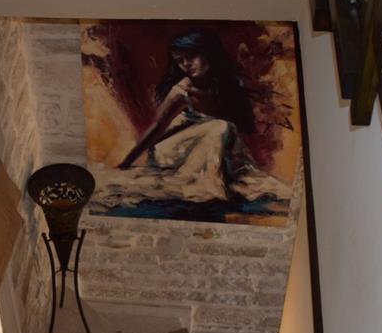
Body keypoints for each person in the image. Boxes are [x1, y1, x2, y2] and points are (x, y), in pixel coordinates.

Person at [115, 29, 291, 205]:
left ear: (209, 54)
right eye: (179, 60)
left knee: (243, 164)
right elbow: (157, 126)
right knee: (222, 127)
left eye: (191, 57)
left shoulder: (224, 87)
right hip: (171, 150)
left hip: (208, 146)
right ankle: (206, 187)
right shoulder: (181, 91)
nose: (186, 64)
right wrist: (126, 163)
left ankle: (218, 180)